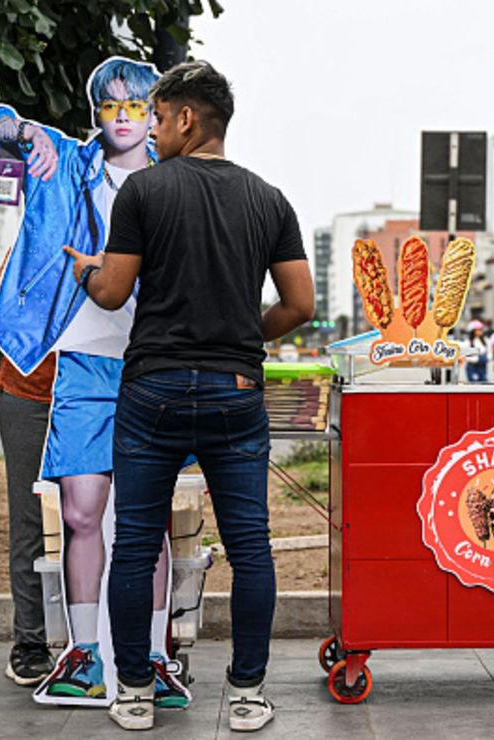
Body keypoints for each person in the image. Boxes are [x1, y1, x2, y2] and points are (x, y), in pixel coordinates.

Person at [65, 60, 313, 732]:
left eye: (157, 117)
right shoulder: (270, 200)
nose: (148, 132)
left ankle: (137, 694)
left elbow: (114, 292)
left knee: (139, 544)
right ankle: (247, 695)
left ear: (185, 117)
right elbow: (301, 303)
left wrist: (87, 269)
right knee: (251, 547)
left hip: (154, 393)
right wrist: (243, 340)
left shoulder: (144, 192)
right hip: (236, 393)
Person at [0, 57, 180, 706]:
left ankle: (151, 657)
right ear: (97, 111)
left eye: (136, 105)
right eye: (110, 104)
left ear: (155, 113)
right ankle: (86, 653)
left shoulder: (179, 178)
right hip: (83, 362)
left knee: (143, 521)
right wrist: (18, 130)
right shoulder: (66, 160)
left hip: (154, 362)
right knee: (79, 512)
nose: (123, 117)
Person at [0, 267, 57, 687]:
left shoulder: (118, 239)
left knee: (103, 519)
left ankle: (102, 638)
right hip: (28, 394)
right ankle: (30, 641)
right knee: (30, 521)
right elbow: (4, 314)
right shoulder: (26, 252)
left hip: (97, 393)